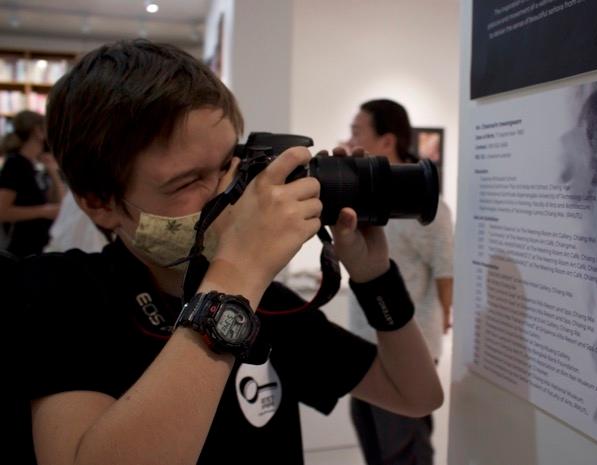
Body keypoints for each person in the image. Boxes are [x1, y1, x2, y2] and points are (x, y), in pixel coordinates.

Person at [21, 40, 442, 465]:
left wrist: (374, 276)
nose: (225, 192)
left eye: (228, 165)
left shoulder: (268, 304)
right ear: (98, 202)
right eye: (187, 182)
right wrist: (237, 277)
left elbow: (416, 394)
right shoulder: (63, 292)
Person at [346, 99, 454, 465]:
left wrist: (443, 323)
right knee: (375, 447)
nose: (350, 138)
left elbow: (446, 271)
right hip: (363, 342)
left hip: (409, 349)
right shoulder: (362, 196)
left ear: (387, 141)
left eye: (358, 131)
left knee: (404, 451)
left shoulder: (425, 204)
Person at [0, 110, 65, 257]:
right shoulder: (15, 164)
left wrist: (53, 171)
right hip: (22, 251)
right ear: (37, 131)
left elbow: (58, 203)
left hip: (40, 248)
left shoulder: (35, 165)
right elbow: (2, 211)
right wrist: (43, 211)